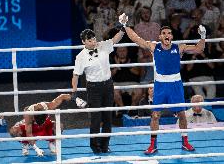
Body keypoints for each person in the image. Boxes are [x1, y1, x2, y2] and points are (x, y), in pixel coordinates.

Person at [120, 13, 206, 154]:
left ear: (172, 36)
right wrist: (124, 25)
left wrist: (203, 36)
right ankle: (153, 145)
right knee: (155, 115)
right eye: (164, 33)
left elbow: (198, 49)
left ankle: (185, 142)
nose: (167, 35)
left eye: (169, 33)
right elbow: (136, 39)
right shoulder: (154, 47)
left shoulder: (179, 47)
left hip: (175, 85)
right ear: (160, 37)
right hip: (160, 85)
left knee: (182, 115)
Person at [71, 19, 125, 154]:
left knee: (108, 117)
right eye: (89, 40)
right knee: (96, 118)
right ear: (83, 42)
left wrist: (123, 28)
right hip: (94, 88)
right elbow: (76, 75)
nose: (93, 42)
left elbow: (115, 39)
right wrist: (74, 94)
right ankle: (95, 146)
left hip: (108, 85)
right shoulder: (80, 57)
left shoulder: (103, 46)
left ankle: (105, 145)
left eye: (94, 39)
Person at [10, 94, 85, 156]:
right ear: (34, 118)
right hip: (32, 128)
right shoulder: (28, 115)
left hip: (46, 125)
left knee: (59, 126)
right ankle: (25, 144)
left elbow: (63, 96)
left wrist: (76, 99)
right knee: (14, 131)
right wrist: (36, 149)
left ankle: (52, 142)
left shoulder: (49, 106)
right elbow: (29, 133)